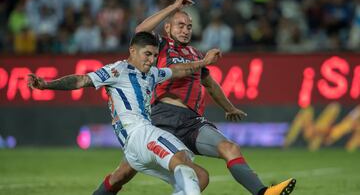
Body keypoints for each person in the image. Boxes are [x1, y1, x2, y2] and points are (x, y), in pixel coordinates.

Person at [93, 0, 296, 195]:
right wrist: (173, 7)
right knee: (122, 173)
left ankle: (263, 193)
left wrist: (229, 108)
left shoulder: (198, 54)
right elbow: (141, 31)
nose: (185, 30)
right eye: (180, 25)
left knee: (229, 148)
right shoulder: (160, 46)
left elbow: (210, 84)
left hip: (192, 123)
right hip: (161, 119)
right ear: (168, 28)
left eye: (189, 26)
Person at [28, 31, 223, 195]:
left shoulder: (152, 73)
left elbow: (177, 70)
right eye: (147, 54)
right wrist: (46, 85)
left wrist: (202, 62)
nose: (151, 60)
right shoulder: (118, 70)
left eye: (155, 55)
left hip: (134, 149)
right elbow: (80, 80)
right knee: (183, 163)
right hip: (140, 133)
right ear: (132, 51)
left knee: (200, 177)